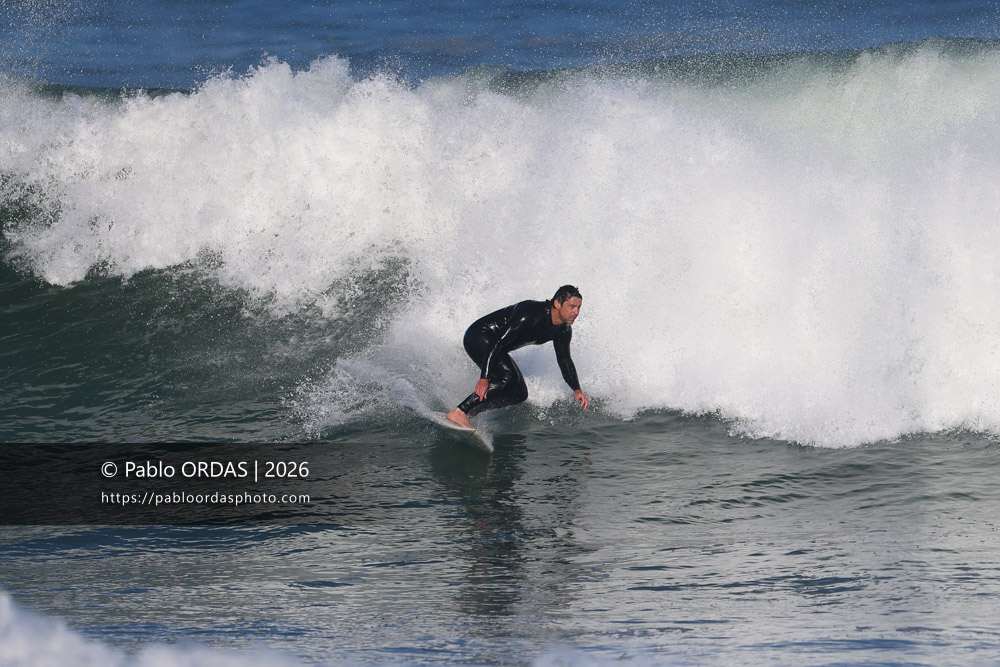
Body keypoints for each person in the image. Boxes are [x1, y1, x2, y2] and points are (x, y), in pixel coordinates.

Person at [445, 285, 589, 429]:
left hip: (496, 346)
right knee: (508, 377)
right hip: (479, 336)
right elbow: (499, 342)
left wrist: (576, 389)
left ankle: (470, 412)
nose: (576, 312)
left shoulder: (562, 330)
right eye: (571, 307)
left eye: (578, 308)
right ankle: (460, 411)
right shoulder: (529, 314)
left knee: (519, 394)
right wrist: (485, 377)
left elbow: (564, 360)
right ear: (557, 303)